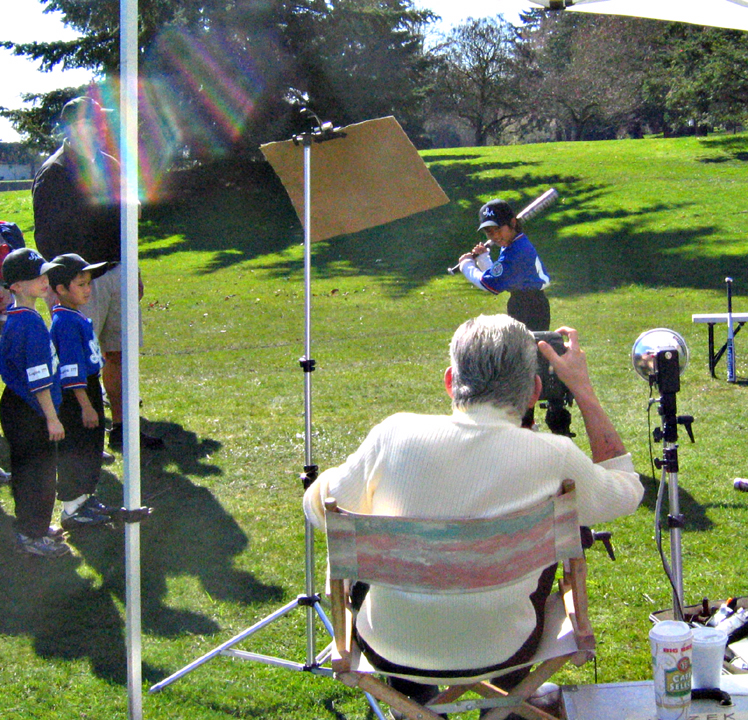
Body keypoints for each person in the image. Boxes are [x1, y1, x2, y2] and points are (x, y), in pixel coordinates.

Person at [304, 314, 643, 707]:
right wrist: (583, 390)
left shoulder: (393, 436)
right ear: (535, 391)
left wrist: (333, 477)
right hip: (505, 649)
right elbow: (627, 491)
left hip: (392, 646)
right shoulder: (554, 456)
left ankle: (414, 706)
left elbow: (321, 510)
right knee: (563, 533)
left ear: (450, 381)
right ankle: (506, 701)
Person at [32, 95, 163, 452]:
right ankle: (81, 433)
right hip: (77, 282)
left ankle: (123, 428)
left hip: (115, 272)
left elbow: (125, 225)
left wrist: (131, 270)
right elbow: (46, 235)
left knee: (120, 354)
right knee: (79, 359)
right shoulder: (55, 172)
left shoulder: (111, 165)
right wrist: (66, 284)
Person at [0, 248, 72, 558]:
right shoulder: (28, 324)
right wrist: (52, 418)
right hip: (30, 410)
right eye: (35, 277)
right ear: (14, 286)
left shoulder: (18, 317)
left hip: (19, 406)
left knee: (31, 471)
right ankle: (32, 534)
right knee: (38, 475)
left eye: (44, 274)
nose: (44, 281)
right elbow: (39, 379)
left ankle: (35, 526)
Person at [48, 254, 113, 529]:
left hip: (89, 389)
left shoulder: (75, 316)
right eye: (81, 284)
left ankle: (86, 498)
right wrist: (85, 405)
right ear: (61, 289)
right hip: (78, 397)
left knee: (92, 445)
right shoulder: (65, 322)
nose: (88, 289)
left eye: (88, 283)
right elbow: (71, 370)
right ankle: (72, 508)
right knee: (78, 447)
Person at [459, 199, 551, 332]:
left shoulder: (516, 251)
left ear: (512, 223)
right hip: (525, 303)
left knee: (528, 350)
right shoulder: (511, 243)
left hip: (530, 308)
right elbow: (498, 275)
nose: (495, 236)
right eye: (489, 232)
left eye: (498, 229)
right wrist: (483, 258)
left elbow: (488, 283)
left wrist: (466, 266)